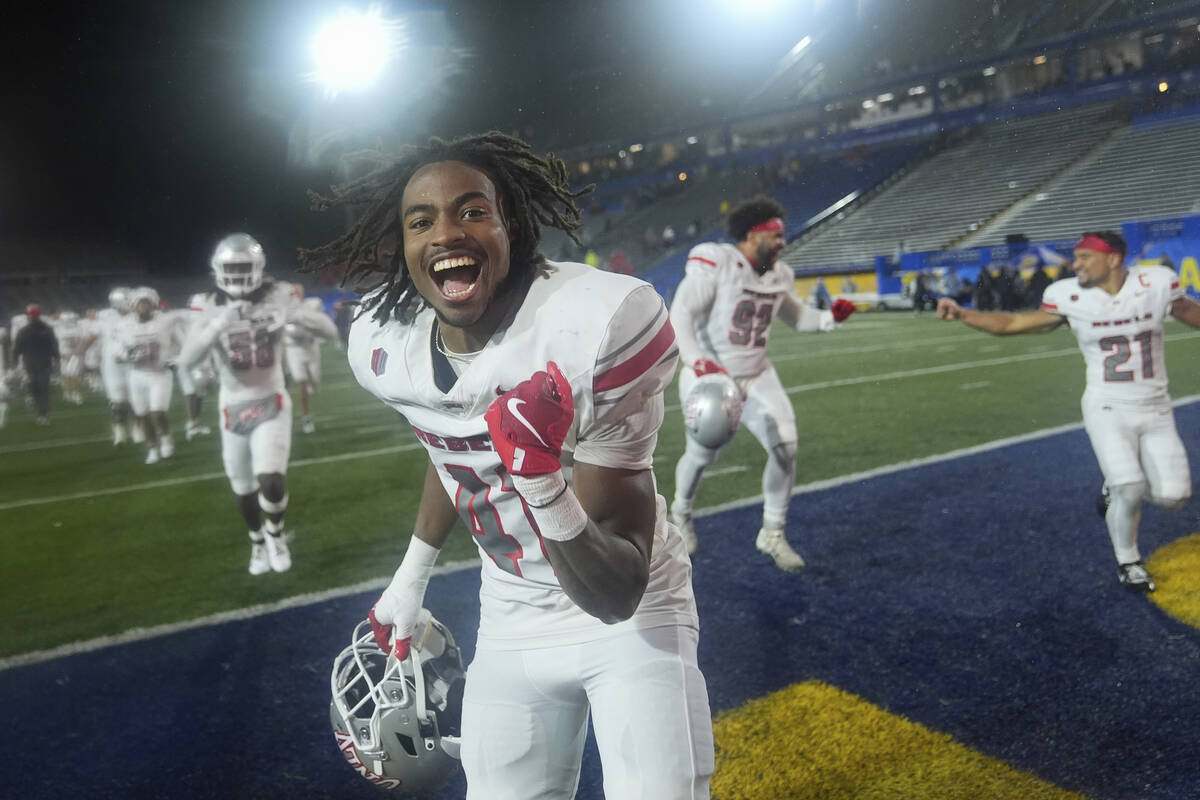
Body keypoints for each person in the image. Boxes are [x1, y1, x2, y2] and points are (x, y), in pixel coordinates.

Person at [300, 132, 713, 798]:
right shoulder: (386, 340)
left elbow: (618, 593)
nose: (445, 233)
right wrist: (411, 578)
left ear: (510, 225)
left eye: (472, 211)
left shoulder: (597, 325)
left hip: (631, 619)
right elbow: (449, 442)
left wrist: (541, 478)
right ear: (400, 244)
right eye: (421, 221)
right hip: (511, 615)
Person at [936, 231, 1200, 592]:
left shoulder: (1154, 283)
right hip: (1107, 405)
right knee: (1131, 485)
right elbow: (1013, 324)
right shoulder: (1068, 296)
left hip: (1156, 406)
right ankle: (1128, 561)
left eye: (1084, 257)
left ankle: (1114, 486)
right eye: (1075, 258)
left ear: (1113, 259)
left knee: (1173, 497)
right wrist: (964, 313)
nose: (1075, 265)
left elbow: (1191, 313)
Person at [668, 196, 856, 569]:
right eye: (778, 235)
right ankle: (681, 513)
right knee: (704, 455)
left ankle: (772, 532)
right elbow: (682, 313)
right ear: (754, 236)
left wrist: (829, 318)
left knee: (786, 445)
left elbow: (799, 318)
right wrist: (696, 360)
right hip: (712, 375)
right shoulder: (718, 262)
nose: (784, 242)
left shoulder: (779, 274)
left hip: (756, 373)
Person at [179, 233, 336, 575]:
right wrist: (218, 324)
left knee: (271, 481)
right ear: (217, 270)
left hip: (271, 400)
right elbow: (187, 360)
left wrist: (293, 317)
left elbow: (327, 330)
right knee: (243, 487)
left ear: (259, 268)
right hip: (232, 404)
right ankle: (256, 541)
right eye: (230, 268)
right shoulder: (206, 303)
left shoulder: (278, 295)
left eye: (243, 267)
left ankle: (275, 534)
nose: (236, 275)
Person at [118, 287, 182, 464]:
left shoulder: (164, 322)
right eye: (140, 303)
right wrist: (126, 355)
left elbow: (181, 343)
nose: (143, 307)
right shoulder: (125, 325)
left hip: (159, 374)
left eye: (147, 303)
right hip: (137, 375)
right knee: (142, 415)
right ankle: (152, 448)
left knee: (157, 413)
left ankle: (166, 437)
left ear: (153, 304)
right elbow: (119, 350)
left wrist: (175, 359)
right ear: (133, 306)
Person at [283, 291, 333, 434]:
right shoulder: (285, 309)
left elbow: (320, 321)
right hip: (294, 349)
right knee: (302, 383)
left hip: (311, 347)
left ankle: (300, 402)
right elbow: (288, 330)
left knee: (314, 385)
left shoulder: (312, 305)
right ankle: (306, 417)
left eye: (298, 292)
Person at [12, 304, 59, 425]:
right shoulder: (24, 331)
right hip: (31, 364)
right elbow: (17, 348)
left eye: (34, 315)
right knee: (36, 388)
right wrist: (15, 361)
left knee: (43, 389)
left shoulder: (47, 329)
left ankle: (43, 414)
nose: (32, 317)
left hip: (43, 364)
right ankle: (39, 409)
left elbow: (54, 345)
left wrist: (57, 359)